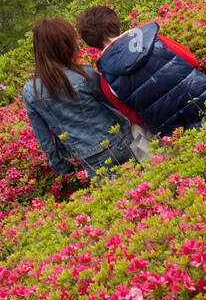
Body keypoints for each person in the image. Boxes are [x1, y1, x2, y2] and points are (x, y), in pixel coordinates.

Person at [75, 5, 206, 137]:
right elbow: (192, 60)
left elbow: (136, 119)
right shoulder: (154, 40)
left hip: (175, 131)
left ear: (91, 44)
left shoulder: (106, 79)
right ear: (117, 24)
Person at [22, 18, 133, 181]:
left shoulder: (31, 92)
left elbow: (44, 138)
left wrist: (62, 166)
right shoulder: (84, 74)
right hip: (123, 139)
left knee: (120, 201)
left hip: (92, 158)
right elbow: (116, 103)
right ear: (68, 45)